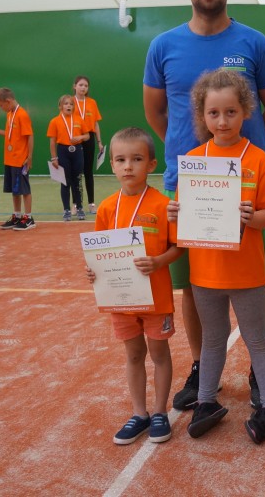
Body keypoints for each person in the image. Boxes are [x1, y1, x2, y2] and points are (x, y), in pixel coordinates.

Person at [143, 0, 265, 412]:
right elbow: (157, 113)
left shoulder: (255, 43)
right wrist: (195, 161)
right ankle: (202, 367)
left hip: (244, 187)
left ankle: (258, 369)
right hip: (186, 187)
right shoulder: (163, 46)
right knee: (194, 284)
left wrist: (242, 159)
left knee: (254, 281)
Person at [167, 69, 265, 443]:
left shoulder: (259, 160)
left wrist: (252, 217)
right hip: (205, 274)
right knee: (213, 340)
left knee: (257, 339)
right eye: (213, 113)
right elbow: (183, 220)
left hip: (246, 273)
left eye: (231, 112)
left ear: (245, 110)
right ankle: (205, 402)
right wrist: (175, 213)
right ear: (202, 115)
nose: (222, 120)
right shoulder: (194, 161)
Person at [86, 127, 182, 445]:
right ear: (112, 165)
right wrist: (94, 271)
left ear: (151, 164)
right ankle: (139, 413)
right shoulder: (106, 208)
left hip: (156, 299)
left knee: (159, 353)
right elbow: (99, 254)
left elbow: (178, 247)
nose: (128, 166)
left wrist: (158, 262)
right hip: (121, 300)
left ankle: (160, 412)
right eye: (121, 160)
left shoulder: (162, 205)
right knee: (133, 354)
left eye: (137, 159)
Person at [0, 88, 35, 230]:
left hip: (20, 160)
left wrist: (29, 157)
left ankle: (29, 218)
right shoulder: (10, 114)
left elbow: (29, 136)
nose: (1, 108)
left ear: (8, 101)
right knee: (15, 190)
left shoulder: (22, 115)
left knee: (24, 189)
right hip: (10, 160)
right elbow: (11, 134)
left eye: (1, 105)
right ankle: (17, 216)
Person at [47, 95, 89, 221]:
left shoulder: (79, 119)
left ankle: (80, 208)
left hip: (77, 151)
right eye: (66, 104)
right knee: (65, 182)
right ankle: (66, 210)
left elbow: (87, 135)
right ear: (60, 106)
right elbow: (52, 141)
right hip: (63, 151)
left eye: (71, 104)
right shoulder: (55, 121)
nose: (69, 106)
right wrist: (54, 158)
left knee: (77, 181)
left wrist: (80, 137)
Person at [72, 75, 104, 214]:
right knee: (75, 173)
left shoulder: (92, 102)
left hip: (89, 138)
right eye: (80, 85)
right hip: (75, 138)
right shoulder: (70, 102)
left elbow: (95, 124)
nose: (83, 88)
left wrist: (99, 142)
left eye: (86, 85)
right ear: (75, 86)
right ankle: (75, 204)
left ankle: (91, 203)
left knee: (88, 172)